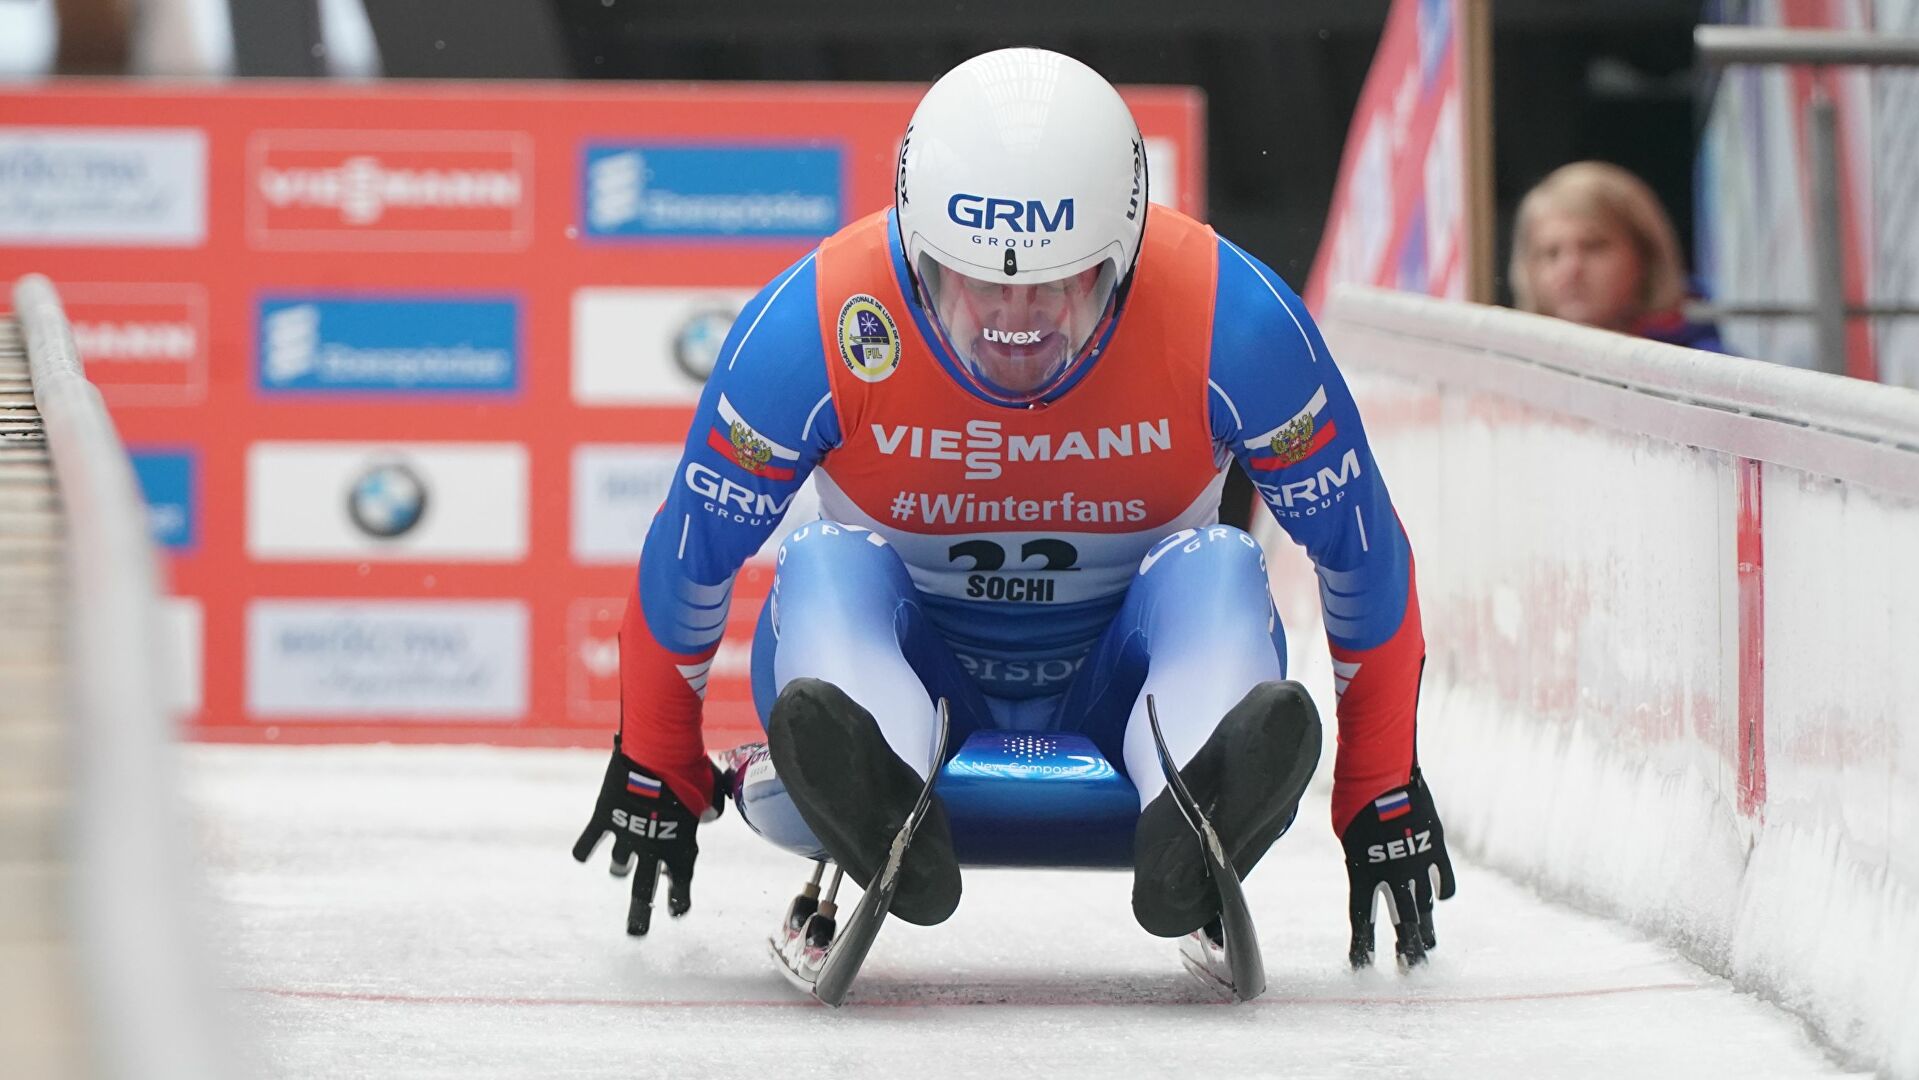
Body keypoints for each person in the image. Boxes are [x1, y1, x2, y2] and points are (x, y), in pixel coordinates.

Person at [571, 47, 1454, 968]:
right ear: (915, 253)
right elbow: (694, 547)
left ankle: (1189, 811)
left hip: (1126, 691)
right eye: (977, 283)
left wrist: (1378, 785)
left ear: (1126, 251)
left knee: (1223, 564)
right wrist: (658, 758)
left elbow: (1359, 548)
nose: (1015, 323)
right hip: (913, 674)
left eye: (1059, 284)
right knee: (829, 560)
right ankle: (882, 788)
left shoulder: (1230, 318)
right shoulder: (822, 320)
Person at [1509, 160, 1729, 353]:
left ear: (1646, 256)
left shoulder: (1706, 369)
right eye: (1551, 253)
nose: (1571, 268)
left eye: (1593, 246)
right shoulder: (1507, 370)